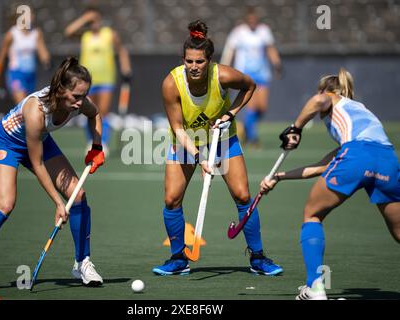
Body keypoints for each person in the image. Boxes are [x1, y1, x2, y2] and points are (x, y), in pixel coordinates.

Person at [0, 57, 106, 288]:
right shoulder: (36, 110)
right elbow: (38, 165)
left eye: (83, 95)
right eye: (76, 96)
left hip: (40, 140)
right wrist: (58, 202)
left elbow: (95, 114)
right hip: (7, 142)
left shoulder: (79, 103)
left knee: (78, 196)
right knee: (4, 204)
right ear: (60, 89)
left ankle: (82, 263)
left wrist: (97, 147)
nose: (80, 102)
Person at [152, 20, 283, 276]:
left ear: (209, 61)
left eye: (199, 61)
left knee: (243, 195)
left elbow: (250, 86)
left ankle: (258, 258)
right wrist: (200, 157)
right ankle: (178, 258)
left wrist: (231, 114)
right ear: (183, 59)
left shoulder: (222, 75)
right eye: (189, 61)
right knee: (172, 199)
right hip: (186, 141)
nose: (194, 67)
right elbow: (178, 129)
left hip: (223, 140)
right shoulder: (171, 83)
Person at [260, 68, 400, 299]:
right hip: (387, 160)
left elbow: (317, 101)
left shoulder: (333, 99)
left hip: (357, 156)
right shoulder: (360, 115)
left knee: (312, 214)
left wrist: (295, 128)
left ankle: (315, 287)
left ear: (327, 90)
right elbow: (321, 166)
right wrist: (277, 177)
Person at [65, 7, 132, 155]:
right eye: (91, 20)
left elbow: (121, 50)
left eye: (95, 19)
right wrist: (85, 19)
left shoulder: (109, 34)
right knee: (88, 111)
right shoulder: (85, 35)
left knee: (103, 112)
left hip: (106, 78)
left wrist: (126, 68)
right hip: (86, 81)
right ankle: (91, 141)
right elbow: (68, 31)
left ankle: (103, 142)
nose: (94, 23)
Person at [220, 7, 282, 149]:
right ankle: (252, 138)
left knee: (262, 108)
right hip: (246, 74)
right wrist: (224, 68)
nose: (253, 22)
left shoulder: (264, 31)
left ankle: (245, 128)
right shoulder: (238, 33)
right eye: (250, 20)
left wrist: (277, 64)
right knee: (252, 106)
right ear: (247, 19)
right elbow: (229, 51)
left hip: (262, 73)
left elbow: (270, 49)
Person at [0, 8, 51, 104]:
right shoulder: (11, 34)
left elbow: (42, 52)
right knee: (23, 105)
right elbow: (0, 58)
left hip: (31, 75)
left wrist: (47, 62)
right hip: (16, 74)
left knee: (30, 107)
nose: (31, 17)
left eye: (31, 14)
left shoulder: (36, 33)